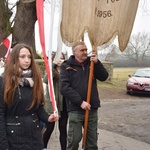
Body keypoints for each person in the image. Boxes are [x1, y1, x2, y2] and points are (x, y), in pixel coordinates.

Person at [0, 43, 58, 150]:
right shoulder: (4, 81)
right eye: (22, 57)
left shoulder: (35, 79)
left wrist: (48, 117)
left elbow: (38, 107)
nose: (27, 60)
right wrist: (3, 145)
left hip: (33, 136)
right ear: (14, 58)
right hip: (13, 137)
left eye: (29, 57)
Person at [60, 41, 109, 150]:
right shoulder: (67, 66)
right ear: (74, 52)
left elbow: (104, 77)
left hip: (92, 108)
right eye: (82, 50)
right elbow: (64, 88)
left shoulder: (91, 63)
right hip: (75, 109)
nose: (85, 52)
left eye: (86, 50)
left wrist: (97, 63)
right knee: (74, 140)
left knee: (92, 143)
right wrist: (80, 102)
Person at [43, 52, 68, 150]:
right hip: (53, 104)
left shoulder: (66, 70)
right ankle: (43, 146)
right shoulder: (50, 70)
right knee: (49, 128)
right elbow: (46, 80)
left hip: (64, 104)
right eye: (58, 58)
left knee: (63, 129)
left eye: (62, 58)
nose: (60, 60)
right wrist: (52, 67)